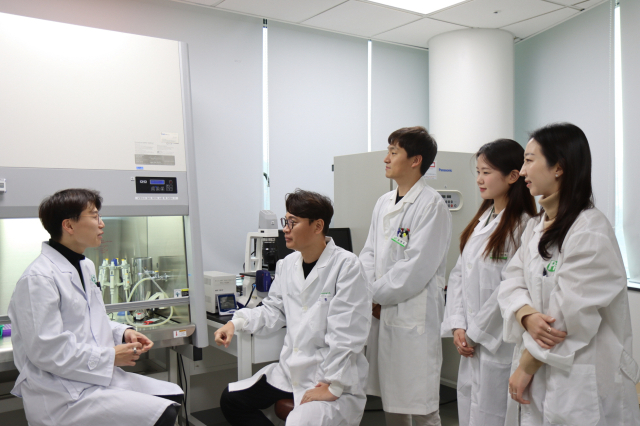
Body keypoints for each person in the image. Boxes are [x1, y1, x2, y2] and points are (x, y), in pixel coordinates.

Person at [498, 123, 640, 425]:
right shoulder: (536, 227)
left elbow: (566, 317)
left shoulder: (590, 231)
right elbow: (511, 281)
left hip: (581, 376)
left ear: (559, 167)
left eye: (529, 160)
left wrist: (526, 366)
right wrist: (525, 314)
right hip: (543, 370)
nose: (522, 171)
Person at [8, 188, 183, 426]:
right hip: (62, 394)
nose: (102, 224)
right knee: (165, 414)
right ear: (69, 225)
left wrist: (123, 332)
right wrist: (110, 357)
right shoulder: (38, 278)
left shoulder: (86, 266)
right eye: (94, 216)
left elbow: (91, 319)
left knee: (173, 395)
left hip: (90, 377)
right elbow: (47, 351)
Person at [215, 189, 371, 426]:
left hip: (330, 375)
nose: (285, 229)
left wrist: (334, 385)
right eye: (285, 221)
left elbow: (347, 335)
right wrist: (235, 323)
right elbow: (274, 310)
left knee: (298, 422)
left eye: (293, 222)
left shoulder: (347, 266)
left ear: (317, 226)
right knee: (232, 400)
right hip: (291, 371)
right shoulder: (287, 264)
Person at [360, 126, 452, 426]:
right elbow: (369, 253)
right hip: (384, 311)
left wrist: (375, 296)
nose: (386, 158)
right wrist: (368, 292)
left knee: (422, 404)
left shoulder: (432, 205)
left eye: (393, 152)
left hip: (413, 315)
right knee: (393, 401)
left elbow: (415, 268)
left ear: (415, 160)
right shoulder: (383, 202)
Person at [440, 139, 536, 426]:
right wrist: (458, 325)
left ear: (513, 176)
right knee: (471, 410)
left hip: (498, 342)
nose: (479, 180)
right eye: (478, 172)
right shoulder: (482, 220)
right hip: (470, 340)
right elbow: (459, 274)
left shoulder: (524, 226)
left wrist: (475, 333)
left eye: (487, 172)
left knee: (495, 414)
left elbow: (509, 288)